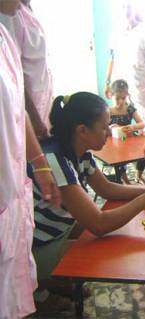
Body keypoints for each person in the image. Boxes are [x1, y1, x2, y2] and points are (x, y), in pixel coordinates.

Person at [28, 92, 145, 311]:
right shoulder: (56, 161)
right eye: (105, 127)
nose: (109, 133)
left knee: (116, 232)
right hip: (33, 249)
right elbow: (99, 223)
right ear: (82, 130)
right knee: (101, 247)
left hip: (57, 229)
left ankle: (53, 282)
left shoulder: (80, 152)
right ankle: (40, 284)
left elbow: (106, 188)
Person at [0, 1, 60, 318]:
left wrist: (39, 162)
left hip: (13, 179)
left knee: (14, 273)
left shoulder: (5, 32)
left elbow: (18, 100)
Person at [0, 0, 53, 140]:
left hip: (40, 106)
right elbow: (13, 74)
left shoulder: (26, 9)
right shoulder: (9, 13)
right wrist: (33, 118)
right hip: (27, 111)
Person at [104, 0, 145, 123]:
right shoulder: (116, 34)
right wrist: (107, 83)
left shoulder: (144, 31)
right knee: (120, 122)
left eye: (128, 6)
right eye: (123, 6)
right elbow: (112, 59)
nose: (126, 10)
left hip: (141, 85)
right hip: (121, 85)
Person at [109, 79, 145, 183]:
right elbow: (102, 129)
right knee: (119, 158)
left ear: (127, 96)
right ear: (111, 95)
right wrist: (111, 127)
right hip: (115, 144)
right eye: (117, 98)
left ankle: (138, 175)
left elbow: (142, 123)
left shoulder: (129, 109)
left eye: (123, 98)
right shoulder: (109, 111)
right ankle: (125, 180)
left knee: (144, 152)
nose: (121, 101)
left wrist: (133, 127)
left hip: (129, 141)